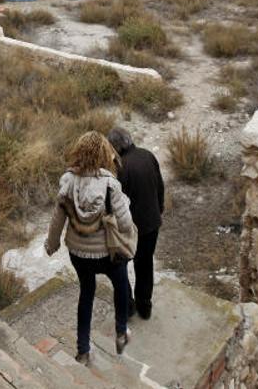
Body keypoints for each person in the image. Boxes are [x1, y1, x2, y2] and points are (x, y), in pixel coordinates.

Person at [45, 131, 135, 363]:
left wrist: (51, 245)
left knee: (87, 293)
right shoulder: (110, 185)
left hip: (79, 253)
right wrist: (124, 204)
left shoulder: (68, 182)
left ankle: (83, 350)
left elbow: (57, 221)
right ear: (105, 154)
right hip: (107, 254)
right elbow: (125, 224)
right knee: (121, 284)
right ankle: (121, 331)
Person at [107, 127, 166, 320]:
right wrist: (159, 209)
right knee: (145, 264)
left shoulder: (119, 168)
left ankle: (128, 307)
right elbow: (160, 186)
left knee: (119, 268)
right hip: (151, 224)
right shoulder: (148, 155)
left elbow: (114, 204)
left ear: (116, 147)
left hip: (129, 229)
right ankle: (145, 307)